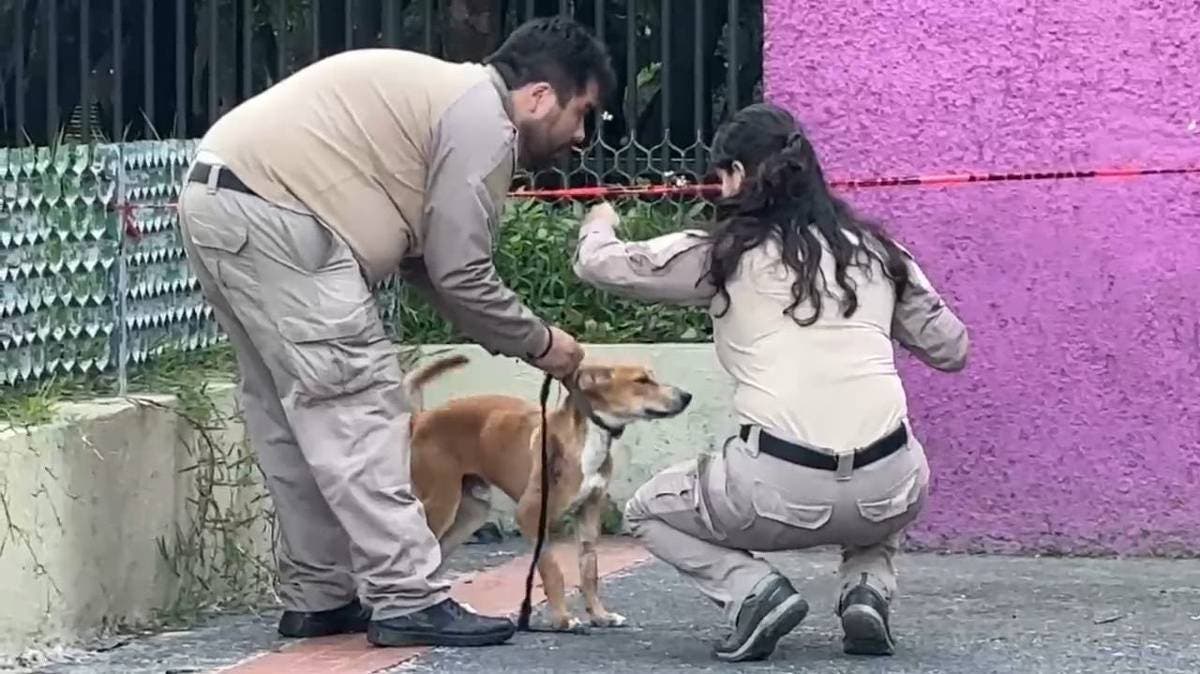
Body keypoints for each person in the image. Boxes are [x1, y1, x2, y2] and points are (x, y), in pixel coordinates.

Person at [176, 17, 615, 648]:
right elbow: (463, 273)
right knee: (357, 405)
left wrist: (521, 338)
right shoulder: (484, 125)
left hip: (220, 198)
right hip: (282, 211)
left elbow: (432, 266)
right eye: (584, 113)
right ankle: (408, 597)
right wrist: (545, 344)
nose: (579, 135)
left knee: (288, 417)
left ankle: (321, 596)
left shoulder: (441, 100)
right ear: (540, 95)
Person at [572, 102, 969, 662]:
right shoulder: (883, 253)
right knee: (888, 466)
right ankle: (868, 589)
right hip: (890, 488)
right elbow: (952, 349)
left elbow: (601, 266)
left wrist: (599, 224)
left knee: (645, 510)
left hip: (775, 494)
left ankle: (753, 593)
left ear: (735, 176)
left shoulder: (722, 255)